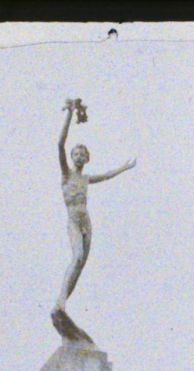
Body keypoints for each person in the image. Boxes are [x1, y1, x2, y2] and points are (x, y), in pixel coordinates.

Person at [52, 99, 136, 341]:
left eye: (82, 153)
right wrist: (69, 114)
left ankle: (64, 303)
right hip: (73, 220)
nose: (78, 155)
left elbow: (107, 176)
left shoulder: (86, 179)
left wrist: (124, 168)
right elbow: (59, 144)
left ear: (87, 158)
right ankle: (60, 300)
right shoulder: (67, 175)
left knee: (80, 266)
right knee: (76, 256)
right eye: (76, 153)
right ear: (71, 157)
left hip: (86, 222)